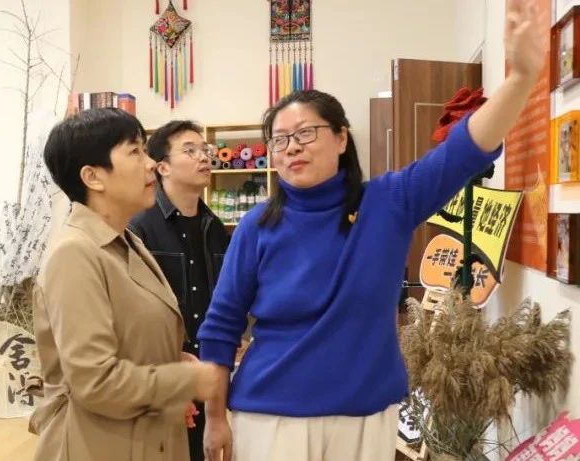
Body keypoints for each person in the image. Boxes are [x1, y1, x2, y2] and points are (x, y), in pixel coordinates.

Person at [198, 0, 543, 458]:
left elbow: (462, 152)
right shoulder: (256, 226)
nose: (291, 148)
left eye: (305, 133)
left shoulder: (389, 202)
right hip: (269, 415)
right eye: (279, 140)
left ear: (342, 137)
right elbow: (221, 328)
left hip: (364, 416)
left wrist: (521, 78)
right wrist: (215, 418)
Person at [28, 107, 224, 461]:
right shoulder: (74, 253)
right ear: (93, 177)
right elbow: (94, 381)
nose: (150, 164)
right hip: (98, 444)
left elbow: (131, 335)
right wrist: (186, 380)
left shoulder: (125, 242)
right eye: (135, 152)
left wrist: (171, 359)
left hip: (143, 437)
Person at [129, 120, 231, 461]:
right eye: (190, 150)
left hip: (206, 371)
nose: (203, 157)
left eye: (205, 149)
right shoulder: (139, 227)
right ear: (162, 167)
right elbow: (134, 313)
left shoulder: (214, 227)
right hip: (161, 372)